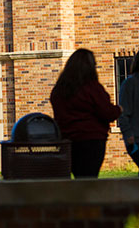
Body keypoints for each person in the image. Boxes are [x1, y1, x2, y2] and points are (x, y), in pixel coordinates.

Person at [50, 49, 122, 178]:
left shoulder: (59, 90)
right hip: (92, 139)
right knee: (90, 176)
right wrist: (119, 110)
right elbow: (107, 112)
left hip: (68, 140)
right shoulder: (92, 88)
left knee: (79, 176)